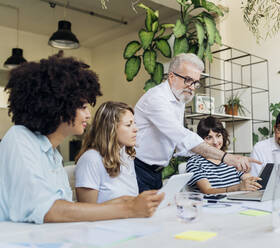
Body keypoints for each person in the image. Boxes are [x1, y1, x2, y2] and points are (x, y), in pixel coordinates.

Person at [0, 53, 164, 224]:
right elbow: (48, 210)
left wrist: (129, 202)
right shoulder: (19, 138)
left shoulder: (53, 154)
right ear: (58, 106)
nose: (88, 114)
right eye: (83, 107)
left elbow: (66, 206)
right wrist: (128, 208)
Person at [134, 53, 261, 192]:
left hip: (156, 171)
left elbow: (178, 143)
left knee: (155, 212)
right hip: (138, 168)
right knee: (141, 212)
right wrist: (226, 157)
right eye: (188, 80)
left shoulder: (179, 96)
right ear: (172, 77)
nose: (192, 87)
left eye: (195, 82)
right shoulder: (156, 99)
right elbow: (182, 137)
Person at [75, 101, 141, 203]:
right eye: (128, 125)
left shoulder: (126, 155)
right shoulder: (91, 159)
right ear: (111, 129)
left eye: (134, 123)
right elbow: (87, 210)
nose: (136, 129)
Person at [186, 117, 262, 194]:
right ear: (200, 140)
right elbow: (207, 191)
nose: (215, 142)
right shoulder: (195, 162)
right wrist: (238, 187)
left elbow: (248, 180)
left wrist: (251, 181)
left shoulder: (230, 160)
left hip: (236, 203)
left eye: (218, 136)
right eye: (209, 138)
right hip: (212, 204)